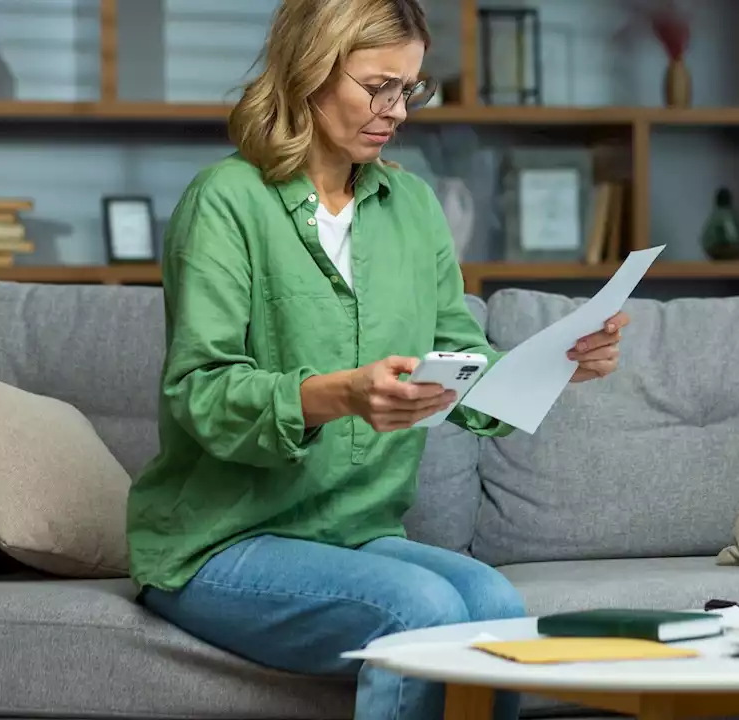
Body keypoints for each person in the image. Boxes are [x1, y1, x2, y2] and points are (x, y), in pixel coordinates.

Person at [124, 1, 630, 718]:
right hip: (218, 542)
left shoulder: (413, 207)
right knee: (418, 611)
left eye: (411, 89)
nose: (396, 110)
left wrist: (556, 364)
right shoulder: (226, 201)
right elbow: (201, 393)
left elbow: (460, 358)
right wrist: (343, 395)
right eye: (377, 86)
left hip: (357, 534)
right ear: (311, 70)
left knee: (495, 606)